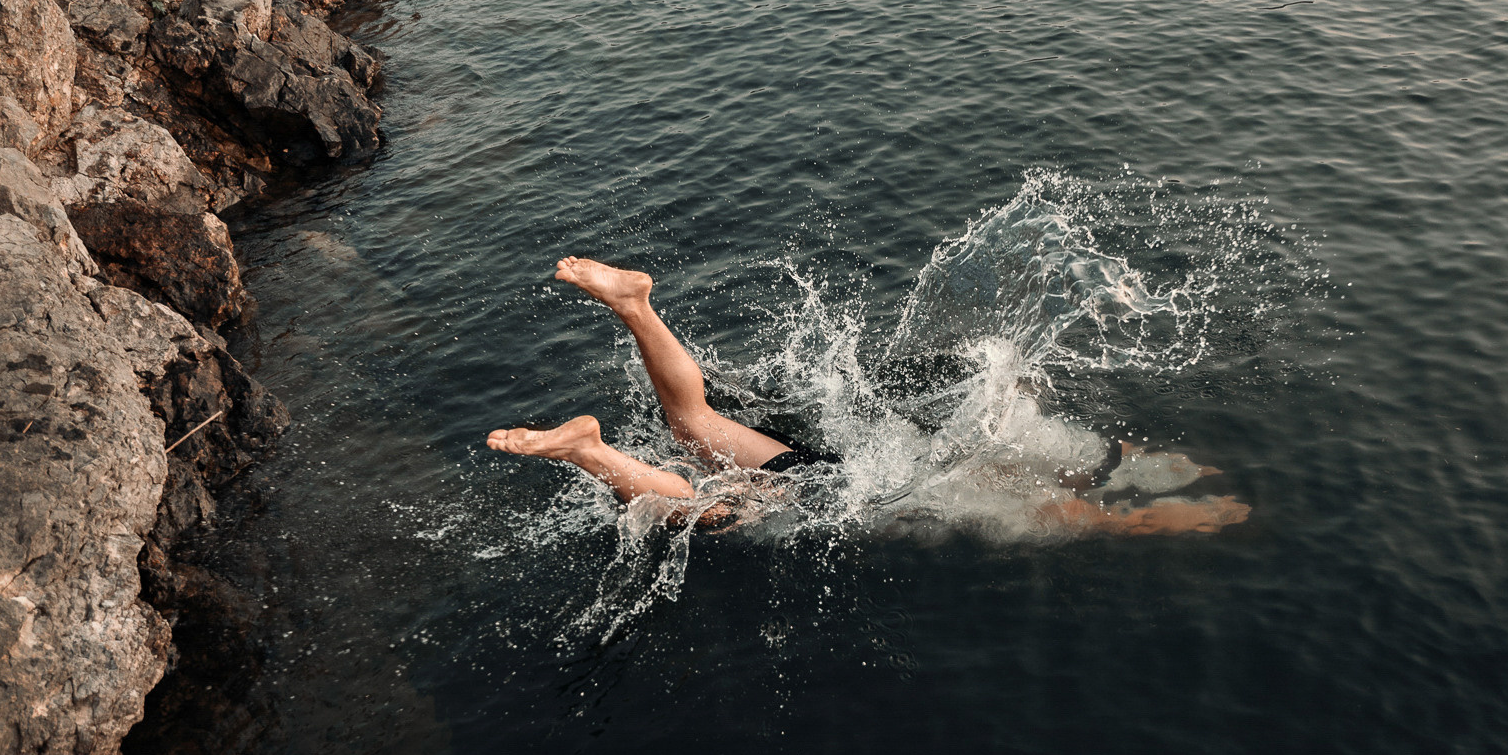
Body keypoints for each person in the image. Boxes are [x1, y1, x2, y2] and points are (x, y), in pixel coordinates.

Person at [487, 257, 1250, 536]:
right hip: (839, 490)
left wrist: (1162, 482)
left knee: (695, 421)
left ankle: (636, 305)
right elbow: (1085, 507)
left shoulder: (1005, 465)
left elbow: (1101, 473)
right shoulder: (1018, 501)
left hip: (853, 458)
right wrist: (1172, 519)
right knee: (705, 509)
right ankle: (589, 449)